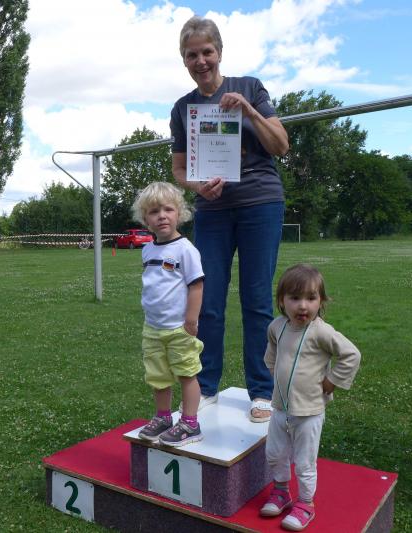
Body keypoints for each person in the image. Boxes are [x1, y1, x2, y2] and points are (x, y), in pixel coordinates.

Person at [170, 15, 290, 422]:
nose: (201, 61)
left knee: (257, 300)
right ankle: (205, 386)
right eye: (192, 55)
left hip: (260, 202)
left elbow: (281, 145)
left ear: (219, 52)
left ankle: (262, 390)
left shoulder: (250, 88)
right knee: (207, 301)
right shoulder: (183, 108)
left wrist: (249, 112)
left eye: (207, 52)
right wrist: (198, 187)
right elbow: (180, 170)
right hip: (213, 210)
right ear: (184, 60)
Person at [259, 264, 361, 531]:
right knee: (275, 453)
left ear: (321, 301)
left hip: (309, 412)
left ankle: (305, 503)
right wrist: (277, 376)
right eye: (295, 298)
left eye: (311, 298)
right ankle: (281, 492)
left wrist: (332, 381)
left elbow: (351, 355)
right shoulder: (277, 326)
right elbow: (271, 353)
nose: (302, 305)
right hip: (280, 408)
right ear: (282, 301)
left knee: (304, 462)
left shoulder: (321, 332)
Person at [132, 182, 206, 447]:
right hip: (153, 328)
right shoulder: (147, 250)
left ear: (179, 213)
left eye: (168, 209)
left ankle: (190, 423)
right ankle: (163, 417)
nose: (162, 216)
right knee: (158, 377)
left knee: (187, 373)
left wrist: (191, 320)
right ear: (146, 219)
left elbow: (196, 286)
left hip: (179, 328)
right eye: (154, 212)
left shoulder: (186, 249)